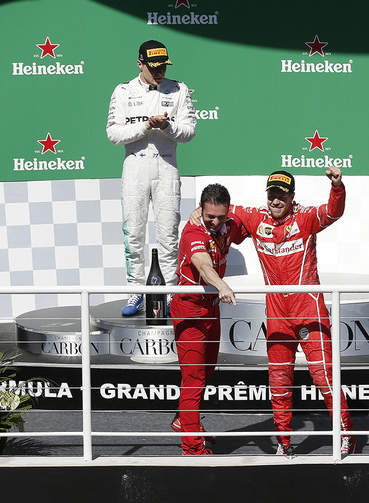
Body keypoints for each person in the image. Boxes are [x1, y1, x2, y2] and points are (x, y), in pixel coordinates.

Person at [190, 167, 356, 457]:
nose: (275, 200)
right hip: (277, 312)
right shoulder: (256, 217)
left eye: (281, 195)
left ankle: (345, 436)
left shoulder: (305, 217)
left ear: (292, 197)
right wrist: (196, 211)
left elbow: (333, 211)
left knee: (324, 377)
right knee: (279, 381)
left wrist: (338, 187)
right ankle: (284, 441)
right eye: (272, 194)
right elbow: (224, 210)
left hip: (309, 308)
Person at [107, 39, 196, 316]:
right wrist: (146, 126)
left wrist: (167, 125)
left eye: (163, 67)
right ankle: (136, 291)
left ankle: (170, 292)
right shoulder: (123, 90)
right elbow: (113, 133)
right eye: (153, 67)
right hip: (134, 168)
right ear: (140, 64)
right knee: (133, 233)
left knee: (168, 234)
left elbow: (190, 131)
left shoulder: (178, 89)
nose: (159, 72)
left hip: (167, 167)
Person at [170, 184, 248, 455]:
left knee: (206, 371)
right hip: (189, 311)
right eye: (209, 216)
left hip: (211, 310)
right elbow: (203, 264)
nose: (215, 223)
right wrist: (221, 285)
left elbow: (250, 219)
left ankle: (184, 420)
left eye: (220, 217)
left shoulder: (229, 223)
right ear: (201, 210)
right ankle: (191, 448)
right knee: (193, 378)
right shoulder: (193, 230)